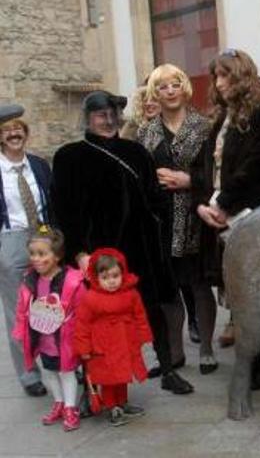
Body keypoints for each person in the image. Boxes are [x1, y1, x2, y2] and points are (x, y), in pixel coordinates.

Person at [51, 90, 193, 395]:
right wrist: (78, 253)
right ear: (88, 118)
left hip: (141, 247)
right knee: (99, 319)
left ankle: (167, 369)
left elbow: (156, 200)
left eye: (113, 114)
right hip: (98, 251)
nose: (108, 120)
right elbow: (63, 211)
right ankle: (100, 381)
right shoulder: (69, 157)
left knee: (153, 309)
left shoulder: (136, 152)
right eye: (101, 115)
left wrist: (160, 234)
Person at [192, 48, 260, 390]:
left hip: (256, 215)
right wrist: (204, 202)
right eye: (216, 76)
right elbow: (206, 168)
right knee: (240, 294)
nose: (219, 83)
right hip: (222, 216)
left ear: (242, 76)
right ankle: (253, 357)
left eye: (225, 76)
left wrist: (223, 202)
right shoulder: (220, 119)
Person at [139, 64, 217, 375]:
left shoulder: (204, 126)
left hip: (197, 216)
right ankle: (174, 351)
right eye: (163, 87)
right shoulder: (146, 132)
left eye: (175, 85)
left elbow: (214, 173)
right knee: (169, 290)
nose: (170, 91)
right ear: (154, 93)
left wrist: (188, 180)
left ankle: (207, 349)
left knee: (198, 286)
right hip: (162, 220)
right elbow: (141, 176)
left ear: (184, 88)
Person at [12, 226, 86, 431]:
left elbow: (84, 310)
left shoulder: (72, 281)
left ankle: (71, 408)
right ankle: (59, 403)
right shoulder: (30, 280)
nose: (35, 259)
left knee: (66, 372)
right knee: (50, 372)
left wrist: (84, 335)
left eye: (42, 254)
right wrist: (20, 331)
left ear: (57, 256)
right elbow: (21, 308)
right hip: (43, 336)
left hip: (66, 337)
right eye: (33, 253)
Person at [0, 105, 51, 398]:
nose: (13, 134)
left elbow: (51, 198)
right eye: (6, 131)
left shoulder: (39, 164)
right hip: (11, 238)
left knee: (52, 303)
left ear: (26, 133)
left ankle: (59, 362)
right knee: (19, 311)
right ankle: (29, 373)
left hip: (43, 234)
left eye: (18, 128)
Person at [74, 248, 152, 427]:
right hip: (103, 343)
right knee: (109, 377)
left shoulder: (130, 293)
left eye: (115, 276)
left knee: (122, 373)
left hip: (125, 339)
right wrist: (83, 348)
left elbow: (139, 315)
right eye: (105, 277)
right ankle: (112, 406)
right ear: (96, 277)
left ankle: (122, 402)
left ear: (122, 273)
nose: (111, 282)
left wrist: (142, 335)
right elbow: (82, 325)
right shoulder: (91, 298)